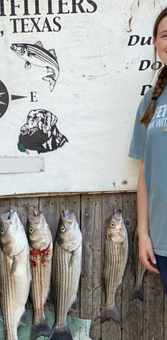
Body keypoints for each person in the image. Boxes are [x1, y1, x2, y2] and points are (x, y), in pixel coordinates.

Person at [129, 8, 167, 295]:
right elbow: (145, 171)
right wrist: (144, 233)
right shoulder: (150, 101)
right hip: (163, 241)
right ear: (155, 42)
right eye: (166, 35)